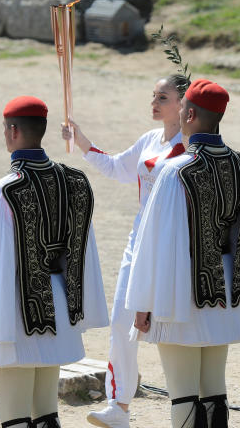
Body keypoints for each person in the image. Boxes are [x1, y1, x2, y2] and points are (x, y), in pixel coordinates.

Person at [126, 78, 240, 428]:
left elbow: (155, 242)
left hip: (181, 296)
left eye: (182, 108)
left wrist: (143, 300)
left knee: (183, 394)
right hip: (227, 293)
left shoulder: (176, 171)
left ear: (191, 113)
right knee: (214, 392)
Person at [0, 96, 108, 428]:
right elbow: (85, 254)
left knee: (14, 413)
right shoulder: (76, 183)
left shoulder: (5, 191)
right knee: (46, 412)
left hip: (14, 313)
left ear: (13, 131)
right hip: (59, 306)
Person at [60, 74, 188, 428]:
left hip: (170, 248)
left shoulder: (191, 147)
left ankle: (186, 403)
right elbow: (118, 168)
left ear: (183, 104)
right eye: (154, 96)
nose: (155, 102)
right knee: (122, 323)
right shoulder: (149, 140)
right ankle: (119, 405)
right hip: (138, 243)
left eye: (163, 97)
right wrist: (82, 142)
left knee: (171, 330)